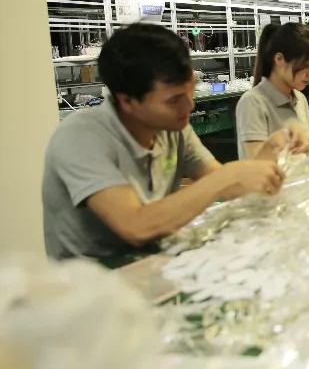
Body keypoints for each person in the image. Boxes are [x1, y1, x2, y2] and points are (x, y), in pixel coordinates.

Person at [42, 24, 290, 261]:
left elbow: (227, 186)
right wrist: (228, 176)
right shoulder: (81, 137)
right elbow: (136, 225)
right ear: (127, 101)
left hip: (153, 260)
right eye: (174, 100)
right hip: (95, 278)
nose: (189, 106)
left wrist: (272, 155)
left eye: (191, 91)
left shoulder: (172, 130)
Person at [236, 23, 309, 160]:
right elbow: (255, 163)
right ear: (280, 59)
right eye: (306, 65)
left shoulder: (299, 98)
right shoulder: (253, 102)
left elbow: (308, 153)